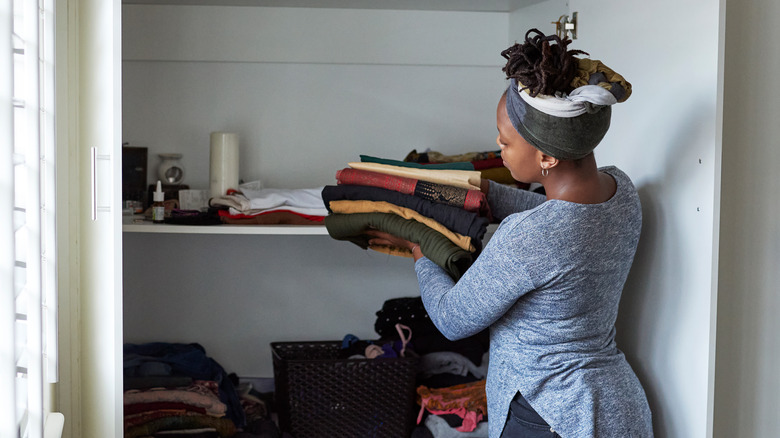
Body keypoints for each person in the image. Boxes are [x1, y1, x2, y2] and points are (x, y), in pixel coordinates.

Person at [366, 29, 653, 437]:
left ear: (547, 156)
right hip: (614, 407)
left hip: (547, 415)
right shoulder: (620, 191)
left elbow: (452, 319)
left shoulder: (526, 237)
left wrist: (420, 251)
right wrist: (488, 192)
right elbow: (561, 222)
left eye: (505, 141)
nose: (499, 149)